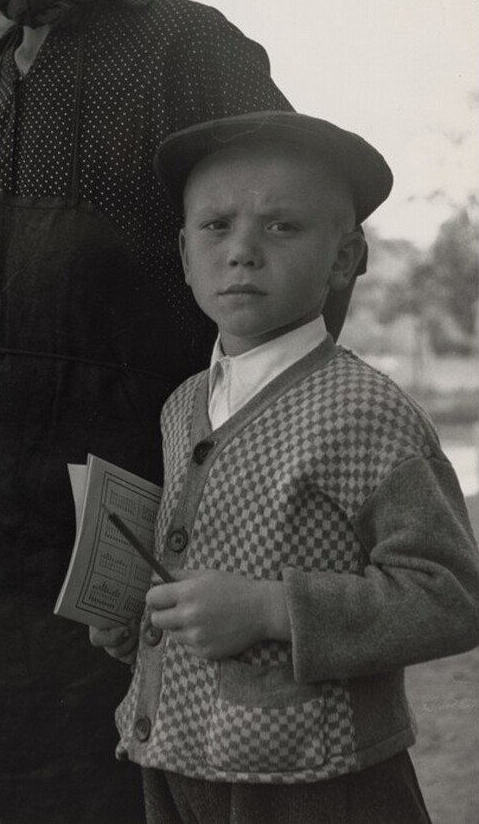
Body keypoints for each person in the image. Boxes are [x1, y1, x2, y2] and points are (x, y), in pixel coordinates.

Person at [0, 0, 351, 823]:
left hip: (133, 512)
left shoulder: (187, 50)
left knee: (117, 782)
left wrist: (249, 485)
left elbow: (312, 249)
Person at [91, 111, 479, 824]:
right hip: (176, 758)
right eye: (215, 227)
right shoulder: (183, 406)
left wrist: (270, 609)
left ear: (343, 259)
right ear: (182, 254)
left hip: (319, 781)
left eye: (281, 227)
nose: (240, 251)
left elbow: (451, 595)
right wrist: (138, 615)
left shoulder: (367, 413)